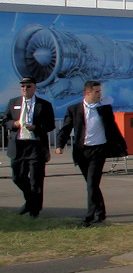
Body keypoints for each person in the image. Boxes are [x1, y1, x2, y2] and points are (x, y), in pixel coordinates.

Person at [55, 80, 126, 225]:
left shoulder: (104, 109)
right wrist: (60, 145)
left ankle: (90, 215)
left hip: (98, 150)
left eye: (100, 91)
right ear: (87, 93)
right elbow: (66, 128)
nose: (100, 94)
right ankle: (101, 212)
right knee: (90, 183)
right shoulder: (74, 109)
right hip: (82, 151)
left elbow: (112, 129)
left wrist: (120, 146)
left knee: (92, 184)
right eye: (97, 92)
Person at [2, 77, 56, 217]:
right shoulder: (14, 103)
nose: (25, 89)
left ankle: (34, 210)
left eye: (28, 86)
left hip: (35, 146)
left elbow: (50, 125)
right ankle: (30, 200)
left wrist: (36, 127)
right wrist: (13, 124)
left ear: (34, 87)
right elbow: (5, 120)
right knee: (18, 177)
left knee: (36, 179)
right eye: (23, 87)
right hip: (19, 145)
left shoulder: (44, 105)